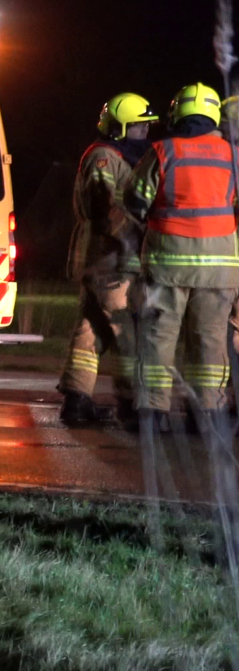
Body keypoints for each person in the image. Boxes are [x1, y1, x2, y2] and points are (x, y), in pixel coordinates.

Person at [123, 83, 239, 432]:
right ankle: (208, 417)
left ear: (177, 114)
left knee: (159, 337)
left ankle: (154, 415)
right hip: (219, 270)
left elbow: (135, 200)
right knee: (211, 340)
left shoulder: (162, 151)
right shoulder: (232, 155)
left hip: (167, 263)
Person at [56, 93, 157, 425]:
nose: (145, 132)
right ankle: (133, 406)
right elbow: (106, 207)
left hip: (105, 259)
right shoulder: (104, 156)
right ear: (120, 128)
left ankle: (77, 400)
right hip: (111, 259)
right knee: (126, 331)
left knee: (91, 329)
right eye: (139, 126)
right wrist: (139, 235)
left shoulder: (120, 156)